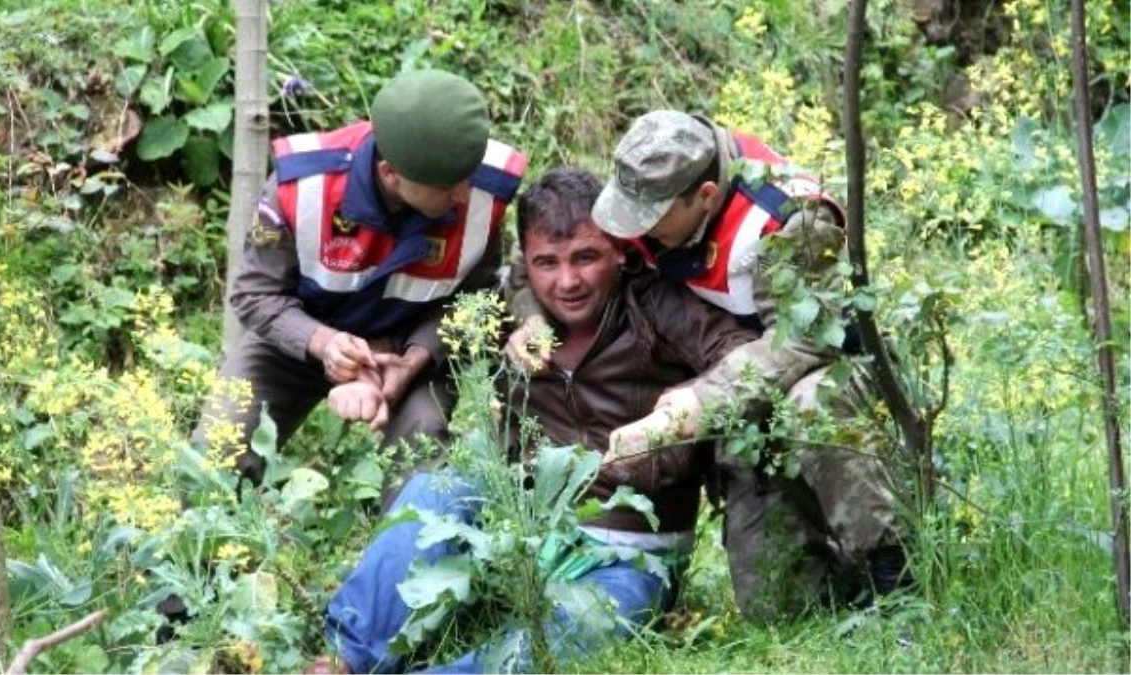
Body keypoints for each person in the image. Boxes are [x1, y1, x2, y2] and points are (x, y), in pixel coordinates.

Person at [309, 168, 756, 674]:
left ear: (620, 249)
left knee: (563, 638)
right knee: (433, 491)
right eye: (547, 262)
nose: (567, 282)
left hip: (630, 553)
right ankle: (347, 656)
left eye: (586, 257)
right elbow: (433, 332)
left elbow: (743, 354)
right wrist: (378, 371)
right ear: (526, 259)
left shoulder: (657, 304)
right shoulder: (508, 302)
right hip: (519, 526)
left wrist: (688, 401)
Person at [585, 110, 905, 619]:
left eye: (649, 219)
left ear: (706, 196)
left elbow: (805, 342)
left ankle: (896, 578)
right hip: (744, 387)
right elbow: (558, 249)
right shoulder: (650, 195)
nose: (634, 230)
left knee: (811, 403)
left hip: (838, 373)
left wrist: (692, 406)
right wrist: (529, 317)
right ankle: (841, 580)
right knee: (774, 609)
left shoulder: (792, 219)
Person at [195, 69, 526, 484]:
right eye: (446, 188)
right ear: (390, 174)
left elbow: (476, 298)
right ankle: (211, 548)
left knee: (421, 458)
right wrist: (325, 344)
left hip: (408, 345)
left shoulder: (480, 184)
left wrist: (416, 358)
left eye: (467, 180)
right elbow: (255, 294)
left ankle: (405, 548)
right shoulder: (305, 186)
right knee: (215, 457)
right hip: (299, 336)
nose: (463, 196)